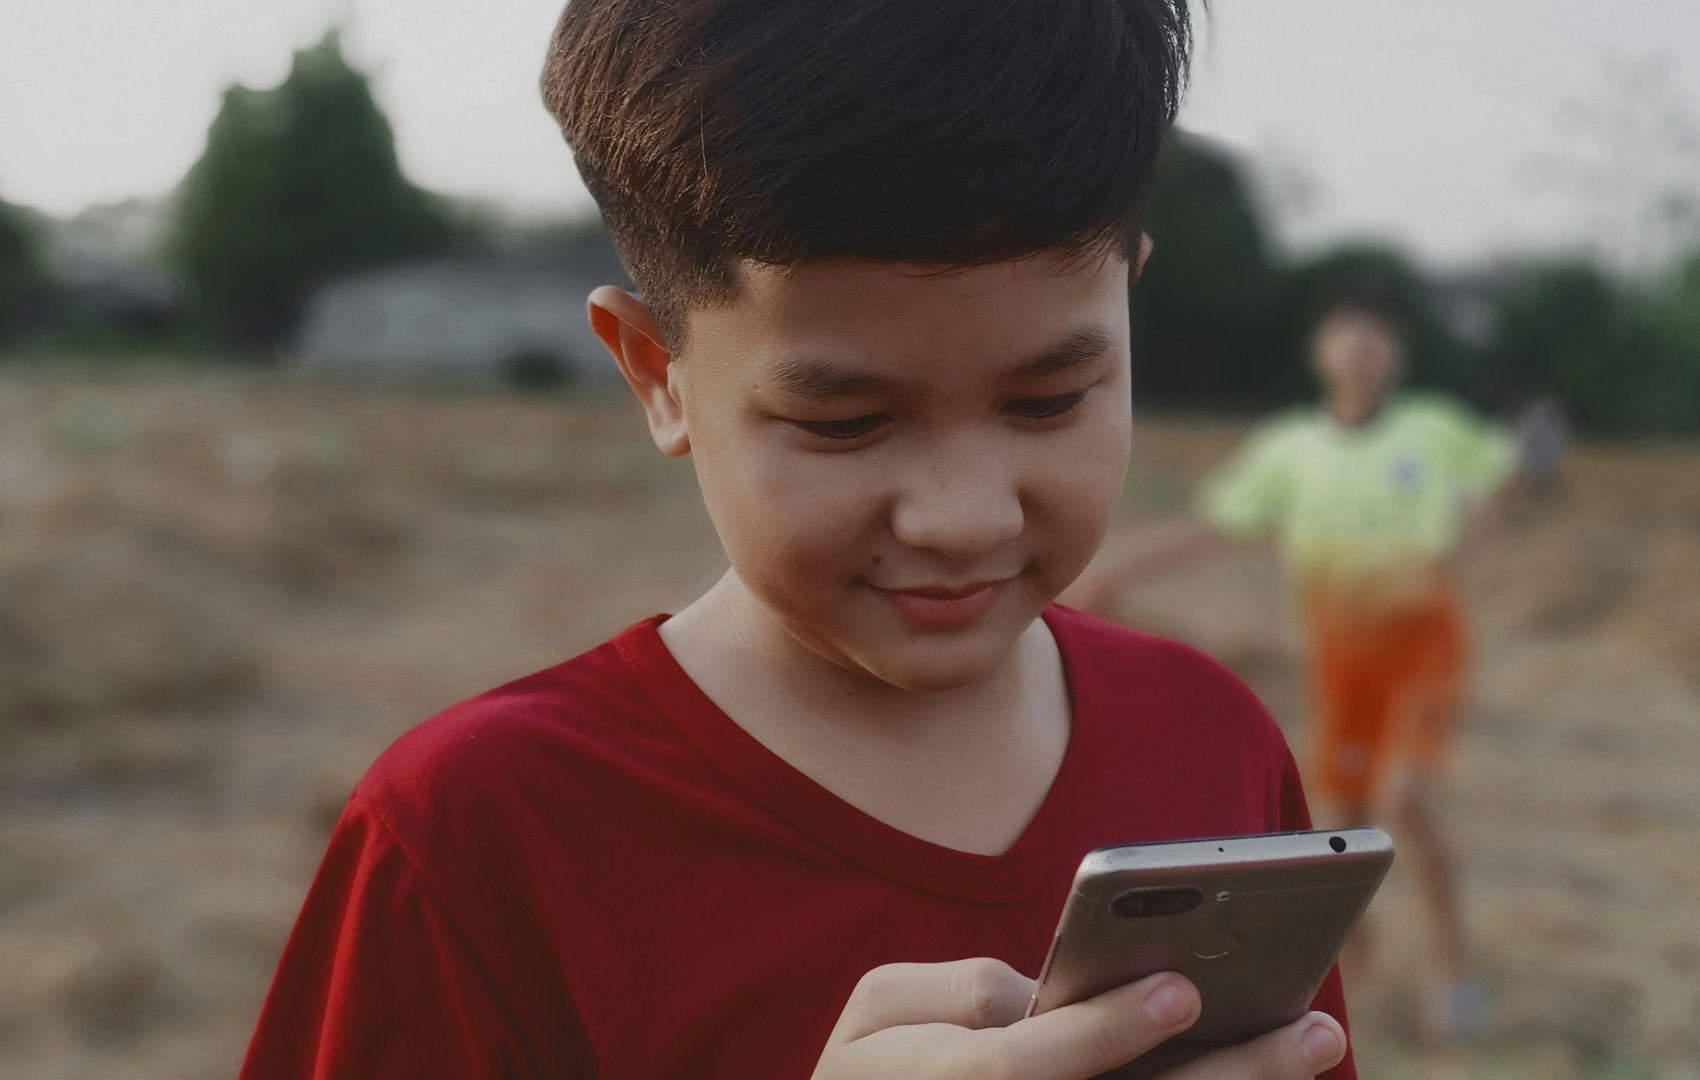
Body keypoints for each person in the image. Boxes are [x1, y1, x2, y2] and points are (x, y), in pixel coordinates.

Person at [240, 2, 1358, 1077]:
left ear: (1129, 305)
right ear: (655, 374)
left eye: (1049, 400)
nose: (963, 515)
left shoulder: (1213, 744)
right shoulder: (477, 841)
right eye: (847, 422)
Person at [1074, 293, 1516, 1038]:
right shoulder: (1291, 449)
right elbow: (1217, 523)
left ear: (1393, 357)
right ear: (1322, 355)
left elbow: (1498, 472)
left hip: (1424, 651)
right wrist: (1122, 574)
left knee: (1403, 797)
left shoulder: (1431, 428)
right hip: (1340, 665)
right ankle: (1356, 957)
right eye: (1346, 342)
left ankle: (1452, 971)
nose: (1359, 356)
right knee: (1341, 824)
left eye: (1374, 343)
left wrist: (1463, 544)